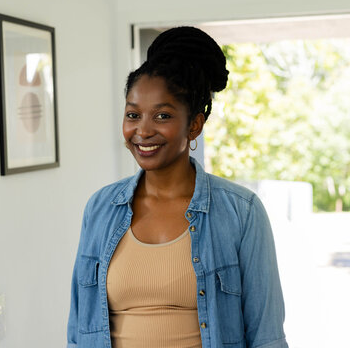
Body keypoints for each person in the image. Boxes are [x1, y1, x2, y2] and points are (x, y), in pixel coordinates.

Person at [67, 26, 288, 348]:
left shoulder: (241, 212)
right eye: (133, 114)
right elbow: (78, 330)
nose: (142, 130)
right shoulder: (100, 207)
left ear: (194, 124)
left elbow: (266, 336)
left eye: (162, 116)